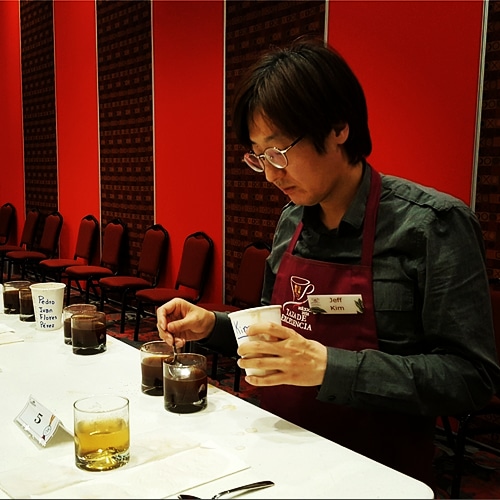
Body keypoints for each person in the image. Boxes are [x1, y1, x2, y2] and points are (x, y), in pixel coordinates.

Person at [157, 37, 500, 489]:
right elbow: (274, 329)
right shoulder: (291, 221)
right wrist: (213, 325)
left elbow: (471, 379)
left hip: (378, 474)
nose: (271, 174)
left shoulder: (432, 225)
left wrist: (328, 367)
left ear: (339, 128)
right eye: (259, 157)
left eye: (279, 152)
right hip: (277, 453)